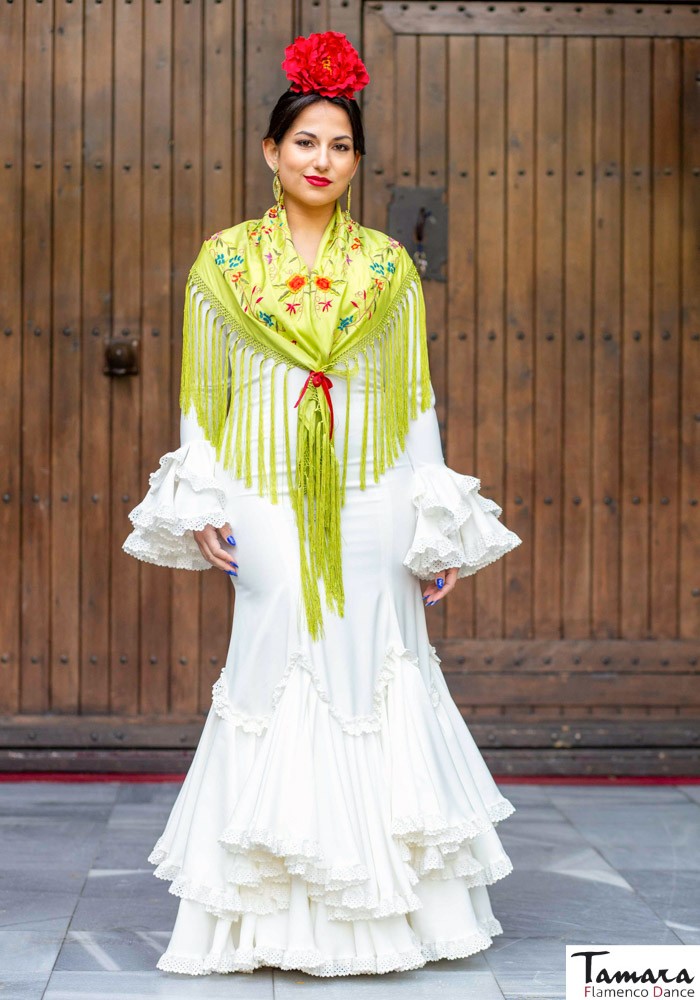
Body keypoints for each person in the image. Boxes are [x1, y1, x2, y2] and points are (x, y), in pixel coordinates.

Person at [122, 29, 523, 979]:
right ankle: (261, 912)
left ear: (356, 160)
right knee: (273, 661)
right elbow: (202, 399)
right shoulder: (223, 263)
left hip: (373, 491)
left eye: (341, 145)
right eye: (306, 141)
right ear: (272, 151)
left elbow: (415, 399)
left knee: (374, 666)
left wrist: (436, 527)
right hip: (261, 488)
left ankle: (383, 913)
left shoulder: (388, 268)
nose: (323, 160)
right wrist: (204, 501)